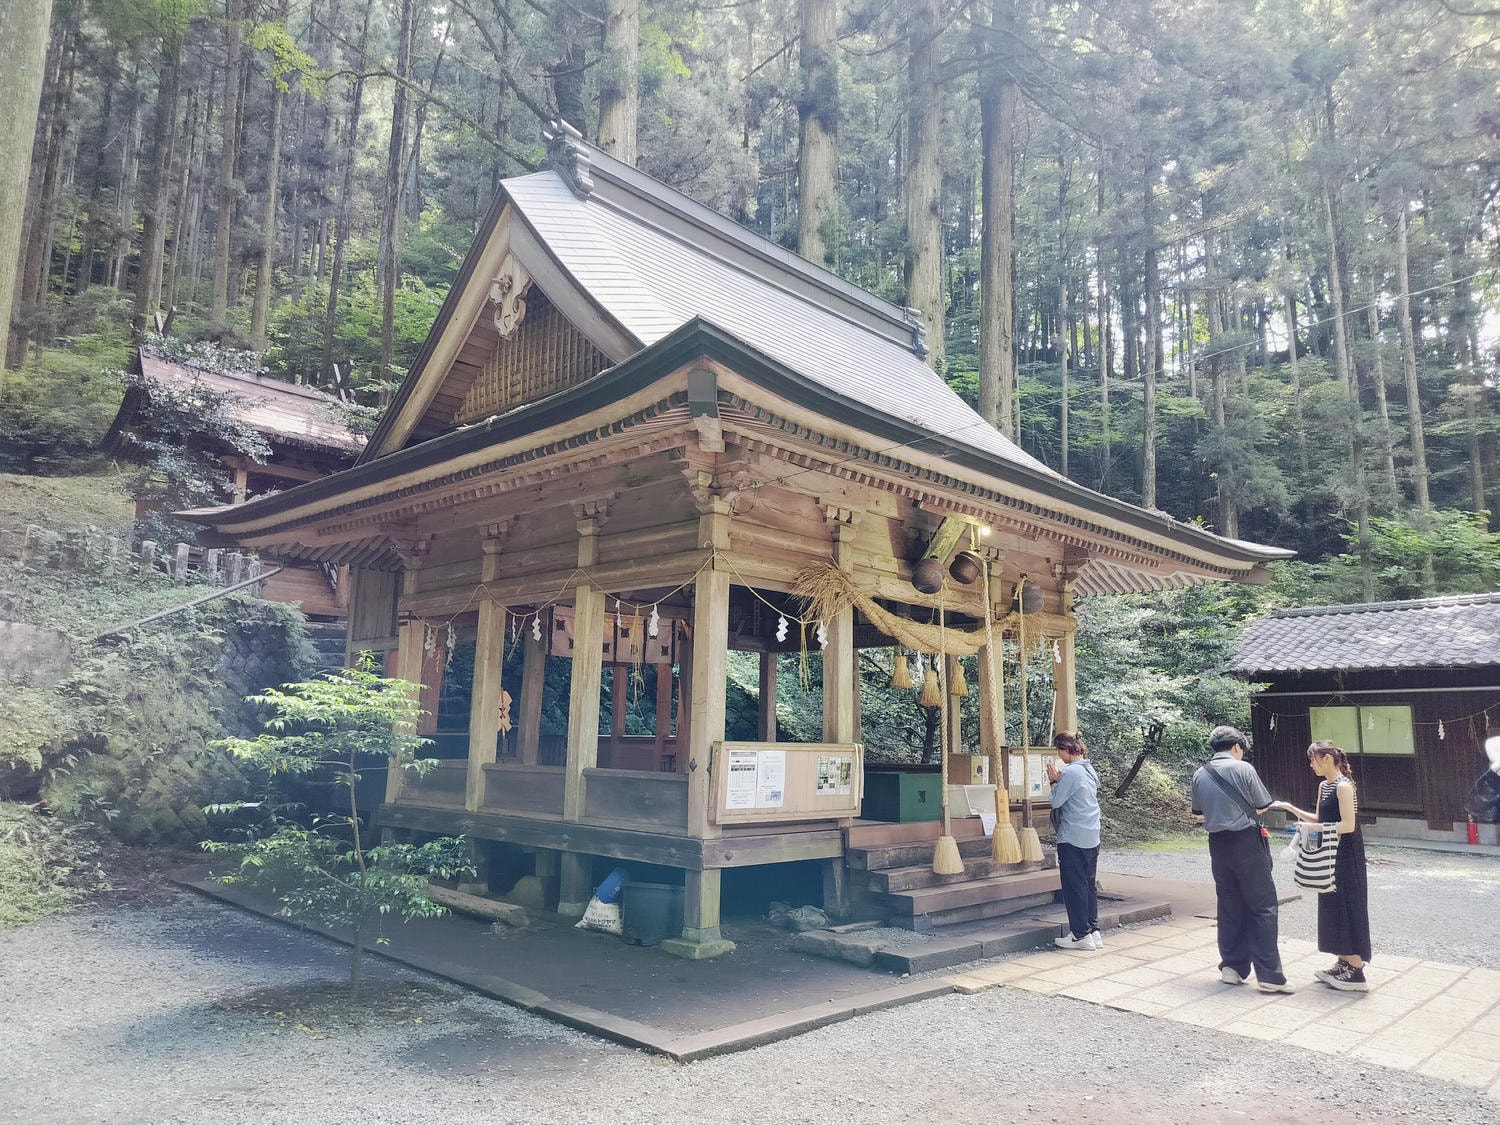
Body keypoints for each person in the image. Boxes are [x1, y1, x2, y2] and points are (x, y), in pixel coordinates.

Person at [1190, 725, 1293, 993]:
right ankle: (1270, 975)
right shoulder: (1243, 769)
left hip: (1218, 845)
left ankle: (1232, 967)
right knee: (1263, 906)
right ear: (1237, 747)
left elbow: (1197, 814)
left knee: (1229, 904)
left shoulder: (1200, 773)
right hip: (1246, 841)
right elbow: (1262, 805)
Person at [1273, 741, 1371, 991]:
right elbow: (1320, 819)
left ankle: (1356, 969)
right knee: (1332, 905)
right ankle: (1342, 962)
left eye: (1313, 759)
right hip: (1330, 854)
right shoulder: (1324, 786)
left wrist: (1315, 828)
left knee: (1347, 905)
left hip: (1346, 856)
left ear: (1327, 758)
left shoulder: (1344, 787)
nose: (1311, 765)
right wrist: (1291, 808)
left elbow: (1348, 825)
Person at [1046, 730, 1102, 950]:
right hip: (1091, 833)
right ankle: (1093, 929)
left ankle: (1080, 935)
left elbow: (1055, 801)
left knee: (1073, 886)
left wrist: (1053, 782)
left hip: (1073, 836)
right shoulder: (1089, 769)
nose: (1059, 756)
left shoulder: (1071, 773)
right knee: (1088, 884)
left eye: (1059, 751)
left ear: (1066, 749)